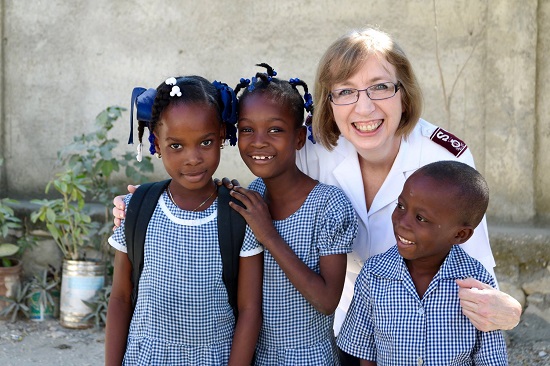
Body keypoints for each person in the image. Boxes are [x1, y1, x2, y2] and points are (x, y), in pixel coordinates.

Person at [112, 27, 521, 362]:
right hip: (348, 329)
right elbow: (261, 162)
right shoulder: (317, 148)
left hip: (414, 333)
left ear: (404, 93)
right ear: (329, 101)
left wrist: (511, 311)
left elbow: (475, 269)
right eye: (346, 91)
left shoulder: (442, 159)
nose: (363, 108)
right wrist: (146, 205)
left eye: (380, 87)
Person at [105, 76, 263, 366]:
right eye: (177, 146)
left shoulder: (238, 215)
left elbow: (250, 309)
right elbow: (120, 298)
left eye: (205, 142)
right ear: (157, 143)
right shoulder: (136, 208)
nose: (193, 158)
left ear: (221, 135)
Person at [226, 64, 357, 365]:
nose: (258, 141)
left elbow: (327, 301)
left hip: (308, 357)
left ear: (299, 138)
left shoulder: (328, 204)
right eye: (247, 129)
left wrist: (268, 233)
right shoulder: (253, 192)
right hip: (256, 353)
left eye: (275, 130)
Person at [337, 160, 508, 365]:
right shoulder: (374, 275)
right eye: (400, 206)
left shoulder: (475, 282)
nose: (402, 222)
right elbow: (363, 350)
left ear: (460, 234)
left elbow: (490, 357)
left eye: (421, 218)